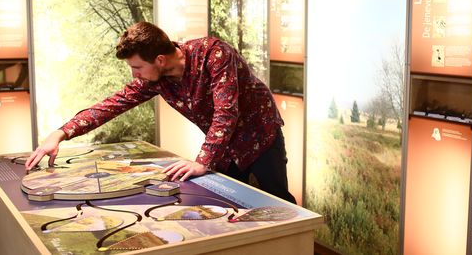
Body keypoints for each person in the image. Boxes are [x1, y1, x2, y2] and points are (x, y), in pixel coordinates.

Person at [25, 22, 296, 204]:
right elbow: (113, 104)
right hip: (224, 149)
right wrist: (61, 133)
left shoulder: (214, 54)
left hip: (260, 137)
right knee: (232, 204)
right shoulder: (156, 79)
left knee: (279, 203)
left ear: (160, 60)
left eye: (137, 67)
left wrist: (202, 160)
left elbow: (227, 112)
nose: (135, 75)